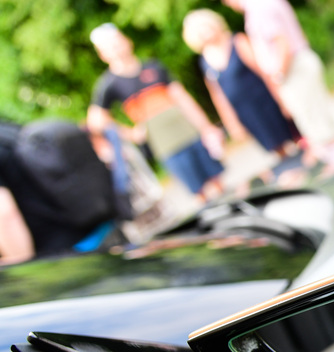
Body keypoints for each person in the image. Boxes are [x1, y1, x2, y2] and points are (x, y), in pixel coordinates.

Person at [87, 23, 225, 202]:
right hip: (165, 145)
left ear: (127, 41)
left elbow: (182, 98)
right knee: (199, 192)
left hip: (188, 132)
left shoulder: (153, 67)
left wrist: (206, 128)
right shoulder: (109, 85)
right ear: (102, 55)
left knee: (217, 181)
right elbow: (96, 120)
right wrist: (130, 134)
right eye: (109, 46)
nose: (116, 48)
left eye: (117, 41)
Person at [221, 0, 334, 177]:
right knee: (319, 113)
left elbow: (281, 42)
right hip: (297, 64)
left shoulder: (259, 8)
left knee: (314, 118)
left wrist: (279, 76)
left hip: (292, 69)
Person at [182, 10, 298, 170]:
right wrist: (231, 122)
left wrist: (279, 96)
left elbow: (261, 70)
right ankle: (291, 168)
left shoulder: (237, 41)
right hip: (244, 111)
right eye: (200, 31)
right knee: (271, 144)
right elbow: (218, 95)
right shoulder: (204, 61)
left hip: (264, 100)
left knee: (289, 134)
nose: (205, 33)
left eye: (206, 27)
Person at [0, 120, 119, 264]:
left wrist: (24, 271)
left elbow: (6, 216)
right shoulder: (8, 130)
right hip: (99, 228)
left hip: (63, 253)